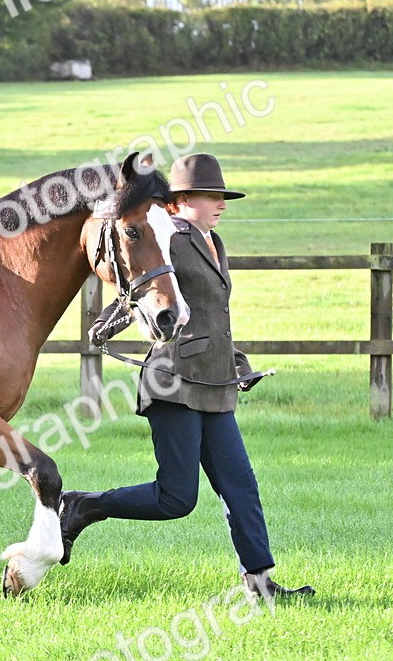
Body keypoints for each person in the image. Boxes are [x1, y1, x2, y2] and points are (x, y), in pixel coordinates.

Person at [63, 153, 314, 600]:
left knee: (241, 486)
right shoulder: (171, 238)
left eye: (223, 196)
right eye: (212, 196)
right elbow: (140, 281)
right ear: (178, 202)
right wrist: (108, 321)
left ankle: (259, 583)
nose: (222, 204)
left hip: (215, 385)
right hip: (173, 382)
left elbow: (214, 317)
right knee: (176, 499)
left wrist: (238, 365)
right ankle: (85, 505)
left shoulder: (215, 242)